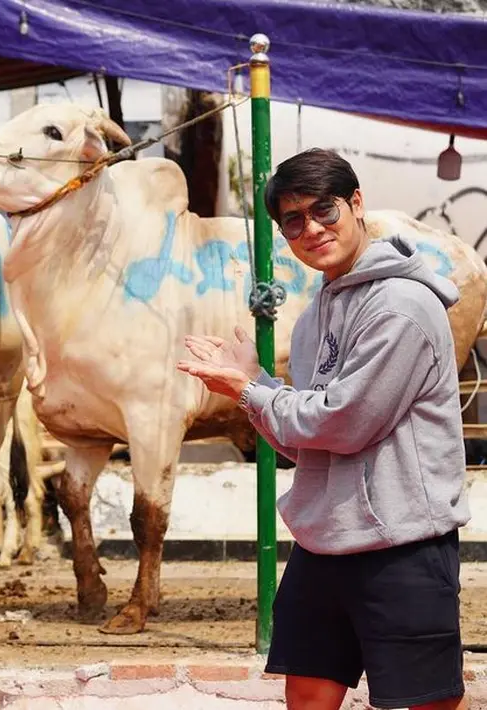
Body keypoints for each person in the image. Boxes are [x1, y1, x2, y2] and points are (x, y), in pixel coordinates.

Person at [176, 148, 468, 710]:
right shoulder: (315, 313)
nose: (310, 229)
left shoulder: (401, 306)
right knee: (306, 699)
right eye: (293, 220)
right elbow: (301, 442)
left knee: (421, 704)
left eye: (323, 210)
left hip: (401, 544)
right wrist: (255, 382)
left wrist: (247, 389)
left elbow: (343, 423)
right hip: (324, 540)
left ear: (356, 204)